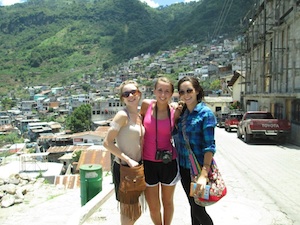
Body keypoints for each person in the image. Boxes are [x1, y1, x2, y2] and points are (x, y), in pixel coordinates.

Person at [175, 76, 216, 225]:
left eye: (189, 90)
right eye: (182, 92)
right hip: (185, 169)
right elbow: (174, 135)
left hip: (198, 169)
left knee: (198, 209)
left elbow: (209, 146)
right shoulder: (184, 114)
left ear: (197, 91)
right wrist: (175, 117)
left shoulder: (206, 114)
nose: (186, 94)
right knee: (194, 206)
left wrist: (204, 174)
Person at [140, 77, 180, 225]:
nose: (163, 94)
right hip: (148, 162)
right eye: (160, 90)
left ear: (171, 94)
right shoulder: (146, 106)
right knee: (154, 206)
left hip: (168, 162)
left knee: (168, 202)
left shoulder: (175, 111)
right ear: (154, 91)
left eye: (167, 91)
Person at [103, 80, 145, 225]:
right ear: (122, 98)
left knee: (136, 211)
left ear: (139, 94)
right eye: (126, 94)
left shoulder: (140, 116)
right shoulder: (122, 116)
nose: (131, 95)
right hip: (124, 169)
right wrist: (128, 159)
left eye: (134, 92)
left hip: (137, 168)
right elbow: (107, 143)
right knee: (128, 213)